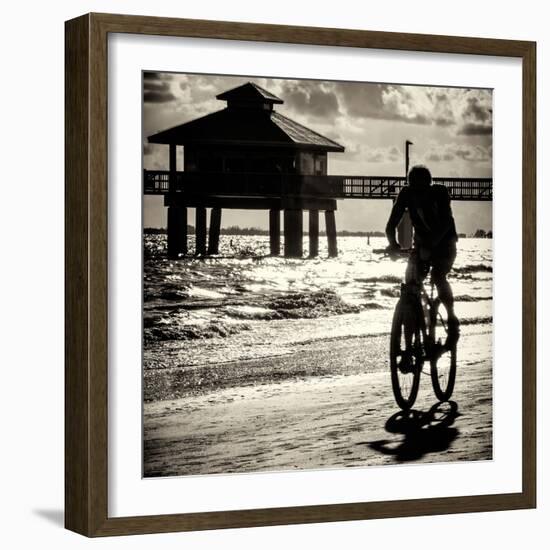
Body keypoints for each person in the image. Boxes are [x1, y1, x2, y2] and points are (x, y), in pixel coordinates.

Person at [385, 165, 460, 351]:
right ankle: (409, 345)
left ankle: (452, 320)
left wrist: (431, 245)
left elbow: (446, 223)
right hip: (421, 246)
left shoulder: (440, 193)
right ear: (409, 185)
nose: (418, 193)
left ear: (429, 184)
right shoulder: (406, 194)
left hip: (445, 244)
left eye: (422, 189)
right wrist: (392, 244)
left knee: (438, 277)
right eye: (414, 188)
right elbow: (391, 225)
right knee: (410, 286)